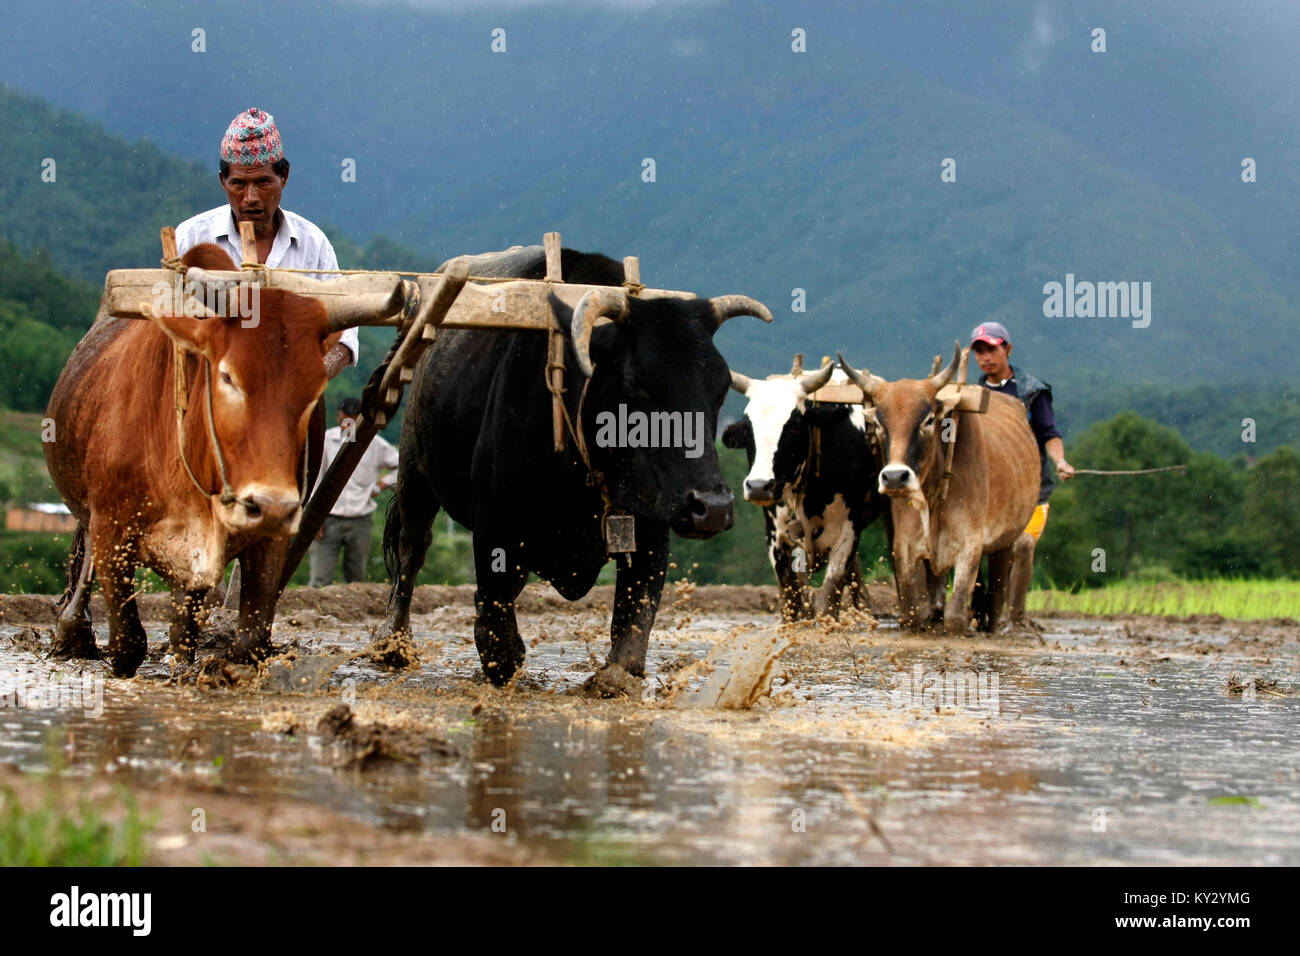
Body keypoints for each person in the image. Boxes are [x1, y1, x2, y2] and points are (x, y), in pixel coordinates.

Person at [174, 107, 357, 378]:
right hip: (208, 396)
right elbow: (169, 328)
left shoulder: (312, 244)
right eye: (238, 184)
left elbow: (345, 336)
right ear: (223, 180)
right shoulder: (191, 238)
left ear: (284, 176)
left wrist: (306, 378)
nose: (250, 197)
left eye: (263, 182)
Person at [969, 321, 1075, 624]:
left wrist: (1060, 461)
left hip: (1029, 492)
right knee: (972, 550)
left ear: (1007, 349)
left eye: (992, 349)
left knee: (1023, 545)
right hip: (985, 493)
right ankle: (976, 612)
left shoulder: (1031, 391)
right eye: (980, 351)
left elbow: (1049, 433)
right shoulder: (971, 395)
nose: (986, 357)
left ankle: (1015, 620)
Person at [308, 398, 399, 587]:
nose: (348, 424)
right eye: (345, 420)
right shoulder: (326, 440)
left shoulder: (375, 445)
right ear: (339, 418)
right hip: (329, 518)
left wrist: (380, 485)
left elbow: (400, 465)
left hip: (360, 517)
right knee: (320, 578)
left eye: (353, 420)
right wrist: (314, 518)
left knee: (356, 579)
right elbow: (315, 478)